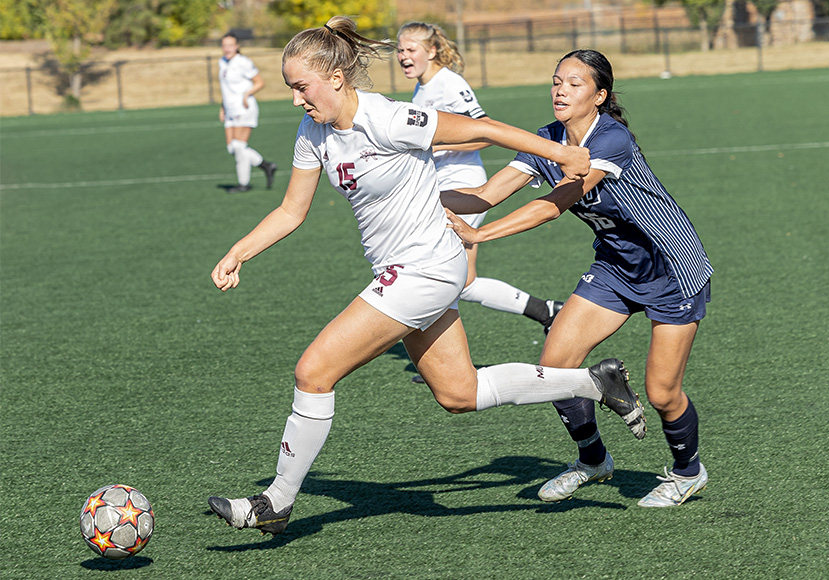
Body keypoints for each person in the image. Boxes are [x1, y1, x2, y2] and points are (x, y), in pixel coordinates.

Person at [207, 18, 646, 536]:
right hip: (408, 271)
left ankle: (276, 502)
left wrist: (562, 153)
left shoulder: (389, 118)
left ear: (335, 77)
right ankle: (593, 382)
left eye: (302, 87)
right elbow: (290, 211)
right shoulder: (313, 132)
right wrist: (239, 251)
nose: (298, 99)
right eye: (292, 89)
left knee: (313, 370)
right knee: (459, 393)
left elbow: (482, 129)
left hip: (426, 269)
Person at [444, 49, 712, 508]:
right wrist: (417, 195)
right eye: (556, 81)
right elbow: (484, 195)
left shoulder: (611, 139)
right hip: (613, 267)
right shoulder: (548, 140)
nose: (560, 90)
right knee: (555, 368)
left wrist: (480, 234)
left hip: (671, 269)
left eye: (574, 83)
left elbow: (556, 203)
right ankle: (593, 460)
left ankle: (688, 473)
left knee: (661, 392)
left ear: (599, 95)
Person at [397, 22, 563, 334]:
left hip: (462, 184)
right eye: (400, 50)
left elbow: (485, 131)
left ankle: (441, 359)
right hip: (442, 183)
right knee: (465, 281)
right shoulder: (423, 87)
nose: (403, 56)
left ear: (431, 51)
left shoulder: (448, 83)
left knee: (434, 269)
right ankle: (547, 311)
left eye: (410, 49)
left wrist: (437, 143)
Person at [218, 32, 278, 193]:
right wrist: (223, 107)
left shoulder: (243, 62)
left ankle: (243, 183)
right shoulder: (222, 62)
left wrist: (246, 94)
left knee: (239, 146)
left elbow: (259, 82)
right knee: (232, 148)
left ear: (237, 46)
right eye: (224, 45)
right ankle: (266, 165)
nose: (227, 48)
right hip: (230, 110)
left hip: (244, 108)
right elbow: (226, 89)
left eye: (230, 45)